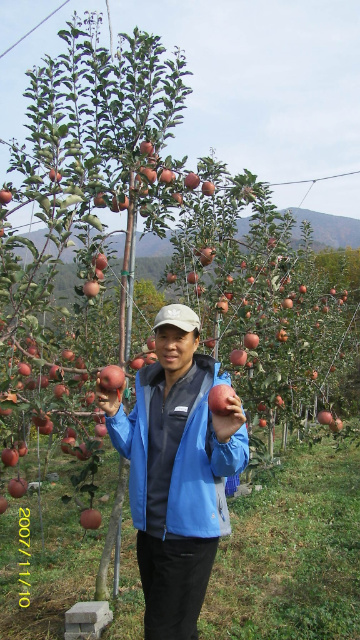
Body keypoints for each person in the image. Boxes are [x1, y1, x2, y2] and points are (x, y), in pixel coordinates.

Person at [96, 303, 249, 640]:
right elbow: (132, 448)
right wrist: (115, 414)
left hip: (190, 533)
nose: (170, 345)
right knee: (176, 627)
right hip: (150, 531)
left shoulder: (216, 391)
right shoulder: (147, 386)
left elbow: (232, 464)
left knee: (162, 631)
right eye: (163, 336)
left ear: (197, 341)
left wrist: (225, 439)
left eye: (179, 337)